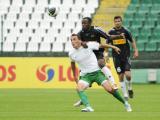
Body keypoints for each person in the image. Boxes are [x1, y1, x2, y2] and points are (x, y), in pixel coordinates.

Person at [69, 33, 132, 112]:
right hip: (86, 76)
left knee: (110, 90)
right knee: (79, 88)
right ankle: (88, 107)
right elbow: (73, 66)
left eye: (74, 39)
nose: (72, 41)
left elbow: (102, 45)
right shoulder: (71, 53)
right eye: (71, 40)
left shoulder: (88, 45)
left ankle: (125, 103)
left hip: (97, 73)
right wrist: (75, 77)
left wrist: (114, 47)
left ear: (79, 40)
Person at [73, 17, 125, 107]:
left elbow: (108, 37)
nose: (83, 25)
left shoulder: (97, 30)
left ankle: (113, 83)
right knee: (82, 81)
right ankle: (82, 99)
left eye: (85, 23)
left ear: (90, 24)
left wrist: (119, 36)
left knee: (101, 63)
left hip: (97, 53)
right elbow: (77, 42)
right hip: (87, 56)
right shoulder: (80, 33)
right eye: (82, 23)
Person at [108, 16, 139, 100]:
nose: (117, 22)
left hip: (126, 56)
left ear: (121, 22)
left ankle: (130, 88)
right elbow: (107, 43)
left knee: (128, 75)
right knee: (121, 76)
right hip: (116, 57)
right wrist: (106, 53)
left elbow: (132, 40)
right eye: (116, 21)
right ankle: (125, 95)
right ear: (114, 22)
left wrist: (136, 50)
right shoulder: (111, 32)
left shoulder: (126, 31)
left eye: (119, 21)